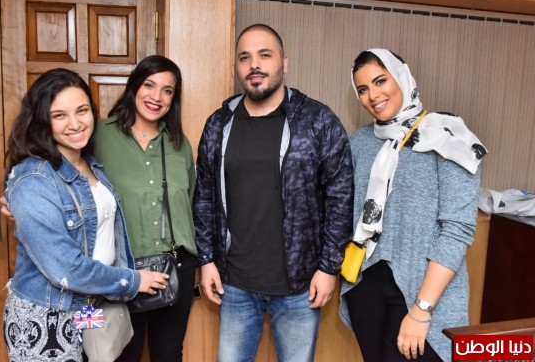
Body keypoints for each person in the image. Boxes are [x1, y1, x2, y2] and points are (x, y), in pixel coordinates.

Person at [194, 23, 354, 361]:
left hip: (299, 285)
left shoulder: (317, 120)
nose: (254, 64)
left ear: (284, 62)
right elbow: (204, 195)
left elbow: (340, 197)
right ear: (237, 66)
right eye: (245, 57)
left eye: (264, 55)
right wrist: (206, 259)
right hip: (234, 282)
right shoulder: (219, 123)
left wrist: (329, 268)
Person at [2, 68, 168, 361]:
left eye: (82, 110)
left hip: (88, 309)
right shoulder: (34, 179)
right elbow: (67, 268)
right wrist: (133, 281)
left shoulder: (89, 164)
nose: (76, 123)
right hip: (48, 317)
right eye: (59, 115)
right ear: (42, 120)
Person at [338, 49, 487, 362]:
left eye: (380, 81)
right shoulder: (360, 142)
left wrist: (421, 310)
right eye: (362, 89)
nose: (372, 95)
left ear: (402, 77)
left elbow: (457, 231)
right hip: (365, 285)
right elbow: (342, 208)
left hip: (423, 288)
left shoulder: (447, 136)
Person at [94, 55, 198, 362]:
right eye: (149, 85)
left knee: (169, 354)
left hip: (176, 268)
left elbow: (192, 202)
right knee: (123, 354)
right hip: (122, 270)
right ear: (134, 86)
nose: (157, 96)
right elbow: (58, 169)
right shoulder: (99, 135)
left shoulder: (179, 144)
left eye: (167, 90)